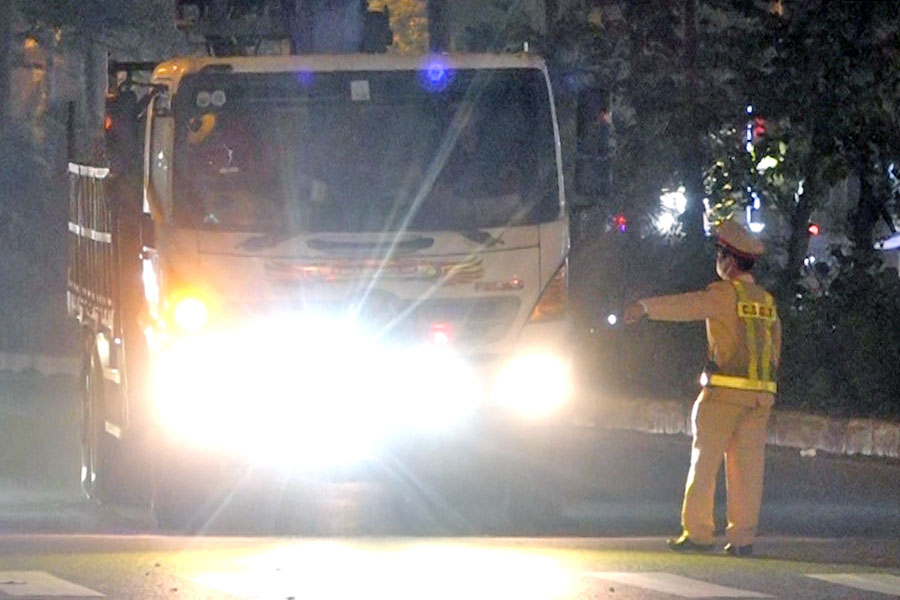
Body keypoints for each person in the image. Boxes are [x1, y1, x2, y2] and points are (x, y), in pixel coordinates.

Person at [624, 219, 782, 557]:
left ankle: (698, 533)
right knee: (748, 471)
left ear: (729, 260)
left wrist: (645, 307)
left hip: (722, 395)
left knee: (704, 464)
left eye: (720, 254)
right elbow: (775, 349)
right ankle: (742, 539)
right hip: (760, 397)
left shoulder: (723, 294)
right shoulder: (766, 301)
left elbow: (686, 305)